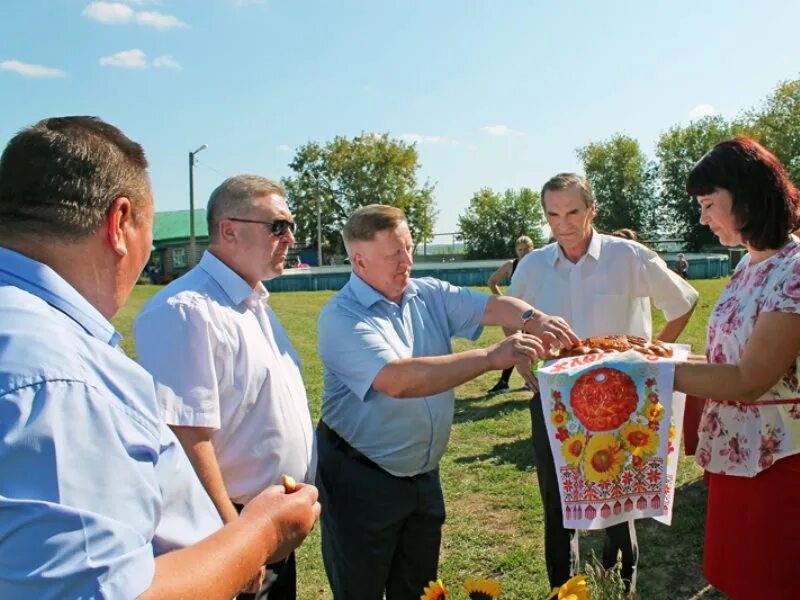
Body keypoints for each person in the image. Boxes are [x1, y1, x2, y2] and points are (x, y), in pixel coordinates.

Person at [0, 116, 320, 599]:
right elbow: (101, 589)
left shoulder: (31, 336)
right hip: (225, 550)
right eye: (279, 226)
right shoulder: (59, 378)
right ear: (120, 223)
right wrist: (252, 537)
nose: (290, 238)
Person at [316, 204, 579, 599]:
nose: (407, 261)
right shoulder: (342, 317)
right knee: (361, 589)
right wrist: (490, 358)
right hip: (361, 478)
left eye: (408, 247)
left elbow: (490, 306)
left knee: (419, 587)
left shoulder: (427, 294)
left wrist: (532, 317)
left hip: (421, 477)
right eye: (393, 254)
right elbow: (397, 380)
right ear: (359, 260)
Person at [508, 173, 699, 591]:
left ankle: (622, 586)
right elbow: (511, 320)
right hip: (553, 401)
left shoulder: (629, 256)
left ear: (592, 210)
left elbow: (683, 302)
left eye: (573, 211)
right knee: (557, 503)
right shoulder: (534, 266)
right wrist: (521, 358)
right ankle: (563, 590)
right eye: (553, 214)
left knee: (619, 502)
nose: (563, 223)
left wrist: (653, 355)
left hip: (620, 402)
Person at [134, 175, 316, 599]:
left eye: (290, 225)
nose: (290, 237)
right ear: (228, 230)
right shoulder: (186, 311)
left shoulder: (254, 304)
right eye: (277, 226)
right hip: (230, 529)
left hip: (268, 526)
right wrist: (237, 542)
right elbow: (186, 437)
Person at [673, 138, 800, 599]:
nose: (703, 218)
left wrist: (653, 373)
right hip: (737, 456)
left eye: (709, 204)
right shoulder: (747, 266)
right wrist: (658, 357)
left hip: (779, 462)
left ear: (746, 196)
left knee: (772, 582)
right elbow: (728, 363)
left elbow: (750, 381)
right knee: (740, 580)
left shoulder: (795, 269)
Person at [486, 234, 536, 394]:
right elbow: (491, 281)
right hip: (514, 312)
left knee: (533, 346)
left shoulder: (538, 264)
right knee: (515, 345)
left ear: (532, 249)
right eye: (520, 250)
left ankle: (530, 381)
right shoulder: (511, 265)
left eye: (526, 250)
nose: (523, 253)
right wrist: (503, 300)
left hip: (533, 312)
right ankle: (504, 382)